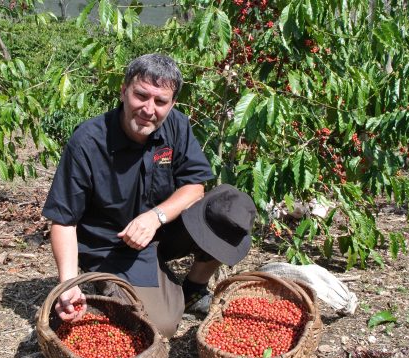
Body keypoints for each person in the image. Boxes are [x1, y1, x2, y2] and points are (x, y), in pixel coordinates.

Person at [42, 53, 256, 338]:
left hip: (161, 232)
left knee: (230, 211)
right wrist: (68, 284)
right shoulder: (88, 141)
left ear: (172, 104)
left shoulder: (176, 126)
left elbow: (195, 187)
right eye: (140, 96)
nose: (148, 109)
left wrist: (155, 217)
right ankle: (117, 285)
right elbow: (63, 220)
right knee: (162, 326)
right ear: (123, 90)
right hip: (113, 248)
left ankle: (192, 288)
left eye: (160, 101)